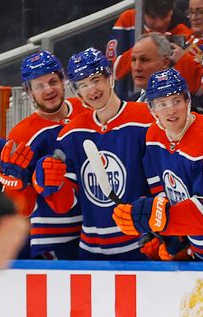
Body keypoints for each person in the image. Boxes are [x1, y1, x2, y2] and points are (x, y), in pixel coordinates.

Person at [111, 68, 203, 261]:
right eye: (162, 104)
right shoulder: (153, 136)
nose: (171, 110)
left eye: (176, 101)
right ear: (151, 109)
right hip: (199, 250)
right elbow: (162, 190)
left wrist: (161, 220)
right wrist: (171, 237)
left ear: (188, 102)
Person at [32, 48, 158, 260]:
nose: (91, 89)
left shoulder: (146, 119)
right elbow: (66, 203)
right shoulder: (72, 133)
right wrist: (49, 183)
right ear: (77, 92)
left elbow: (160, 184)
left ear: (110, 78)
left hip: (141, 248)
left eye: (96, 79)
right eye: (83, 84)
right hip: (91, 253)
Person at [0, 50, 86, 259]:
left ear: (63, 80)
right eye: (39, 86)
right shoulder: (22, 133)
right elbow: (20, 207)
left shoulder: (85, 110)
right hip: (50, 236)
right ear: (28, 91)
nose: (49, 90)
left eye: (53, 81)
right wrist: (11, 182)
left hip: (93, 230)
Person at [106, 0, 192, 99]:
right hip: (129, 97)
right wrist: (146, 46)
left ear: (171, 11)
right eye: (153, 17)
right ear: (143, 12)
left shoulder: (185, 28)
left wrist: (183, 59)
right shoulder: (129, 19)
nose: (159, 23)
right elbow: (111, 71)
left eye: (164, 16)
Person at [128, 33, 175, 101]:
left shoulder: (184, 103)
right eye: (134, 60)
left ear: (165, 63)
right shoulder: (129, 103)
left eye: (144, 60)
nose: (137, 68)